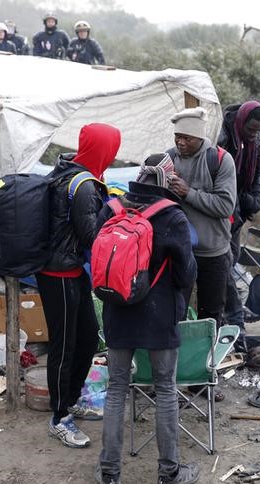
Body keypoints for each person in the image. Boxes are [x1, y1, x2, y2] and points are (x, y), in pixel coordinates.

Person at [96, 154, 200, 484]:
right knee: (165, 390)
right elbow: (186, 275)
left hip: (117, 311)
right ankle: (169, 473)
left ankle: (110, 474)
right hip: (159, 315)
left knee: (116, 389)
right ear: (168, 180)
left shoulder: (112, 209)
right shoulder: (172, 216)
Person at [37, 123, 121, 448]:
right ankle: (59, 417)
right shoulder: (83, 184)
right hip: (58, 274)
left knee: (87, 338)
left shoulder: (70, 172)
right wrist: (114, 210)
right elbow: (92, 236)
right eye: (111, 149)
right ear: (104, 150)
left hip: (71, 270)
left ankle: (70, 400)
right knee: (64, 345)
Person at [167, 107, 236, 325]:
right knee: (174, 311)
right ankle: (177, 358)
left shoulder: (220, 160)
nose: (180, 143)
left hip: (213, 251)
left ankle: (206, 357)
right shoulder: (168, 159)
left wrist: (188, 193)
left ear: (199, 137)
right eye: (177, 137)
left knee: (211, 313)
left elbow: (225, 206)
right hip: (180, 250)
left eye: (186, 138)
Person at [217, 101, 260, 331]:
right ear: (241, 122)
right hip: (221, 204)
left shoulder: (257, 138)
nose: (253, 134)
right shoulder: (223, 135)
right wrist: (233, 203)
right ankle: (233, 314)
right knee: (223, 259)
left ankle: (229, 309)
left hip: (241, 203)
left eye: (257, 130)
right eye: (250, 129)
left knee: (233, 255)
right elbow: (218, 173)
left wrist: (257, 193)